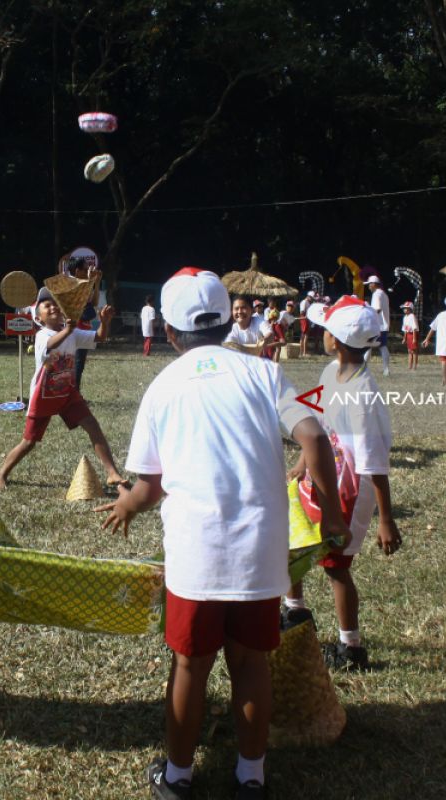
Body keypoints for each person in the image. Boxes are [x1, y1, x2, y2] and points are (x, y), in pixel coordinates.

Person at [98, 267, 350, 800]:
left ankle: (178, 778)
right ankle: (251, 777)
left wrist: (126, 506)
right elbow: (315, 437)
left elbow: (149, 486)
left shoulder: (162, 387)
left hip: (197, 555)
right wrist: (328, 513)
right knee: (250, 663)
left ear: (169, 332)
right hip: (260, 552)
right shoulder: (265, 373)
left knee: (190, 664)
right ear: (227, 322)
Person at [284, 296, 401, 671]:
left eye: (325, 330)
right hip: (321, 474)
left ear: (337, 339)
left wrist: (386, 518)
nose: (322, 335)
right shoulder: (328, 373)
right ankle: (294, 611)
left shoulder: (363, 393)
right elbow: (316, 424)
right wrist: (301, 464)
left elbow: (374, 462)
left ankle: (350, 646)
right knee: (295, 545)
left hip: (350, 487)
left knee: (336, 566)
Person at [0, 288, 125, 489]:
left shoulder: (72, 332)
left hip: (67, 392)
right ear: (39, 318)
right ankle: (0, 473)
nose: (53, 306)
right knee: (29, 442)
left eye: (56, 304)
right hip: (44, 394)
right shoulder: (42, 335)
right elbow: (52, 344)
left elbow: (99, 337)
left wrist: (104, 323)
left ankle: (112, 473)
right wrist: (68, 331)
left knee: (92, 425)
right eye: (46, 305)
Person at [365, 275, 391, 376]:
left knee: (368, 345)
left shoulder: (376, 294)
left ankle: (363, 368)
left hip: (377, 325)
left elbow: (377, 309)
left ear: (374, 284)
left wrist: (368, 317)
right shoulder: (383, 294)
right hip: (384, 325)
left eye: (369, 284)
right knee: (383, 346)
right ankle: (386, 369)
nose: (368, 287)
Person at [400, 301, 419, 371]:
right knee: (409, 351)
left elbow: (414, 328)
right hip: (408, 334)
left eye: (406, 308)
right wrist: (404, 338)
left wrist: (414, 338)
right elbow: (405, 329)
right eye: (404, 308)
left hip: (413, 334)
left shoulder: (412, 316)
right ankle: (409, 365)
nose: (405, 310)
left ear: (410, 309)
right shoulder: (405, 317)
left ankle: (415, 366)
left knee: (414, 351)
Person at [299, 291, 317, 355]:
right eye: (311, 298)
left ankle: (303, 352)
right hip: (304, 319)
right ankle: (303, 352)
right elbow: (302, 312)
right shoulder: (304, 302)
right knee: (304, 335)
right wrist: (306, 315)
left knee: (305, 335)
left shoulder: (308, 303)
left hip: (306, 319)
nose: (312, 299)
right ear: (309, 296)